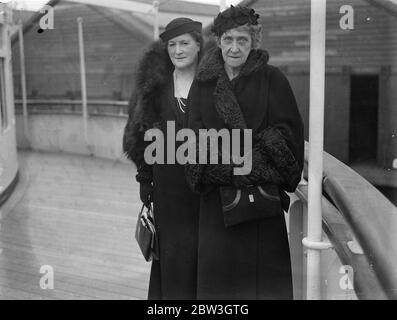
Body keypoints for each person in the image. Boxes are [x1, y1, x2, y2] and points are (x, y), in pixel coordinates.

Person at [185, 5, 304, 299]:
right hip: (217, 211)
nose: (235, 48)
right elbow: (191, 146)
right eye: (228, 40)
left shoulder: (273, 79)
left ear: (254, 43)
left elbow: (288, 143)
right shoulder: (202, 85)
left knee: (261, 288)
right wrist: (240, 158)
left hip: (260, 210)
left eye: (242, 40)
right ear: (218, 41)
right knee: (219, 292)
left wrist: (234, 160)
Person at [122, 17, 203, 299]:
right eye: (172, 45)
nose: (178, 50)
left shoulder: (210, 84)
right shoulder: (156, 88)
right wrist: (145, 180)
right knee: (172, 257)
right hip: (167, 188)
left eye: (184, 43)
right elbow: (139, 134)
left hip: (204, 188)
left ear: (197, 46)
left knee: (203, 258)